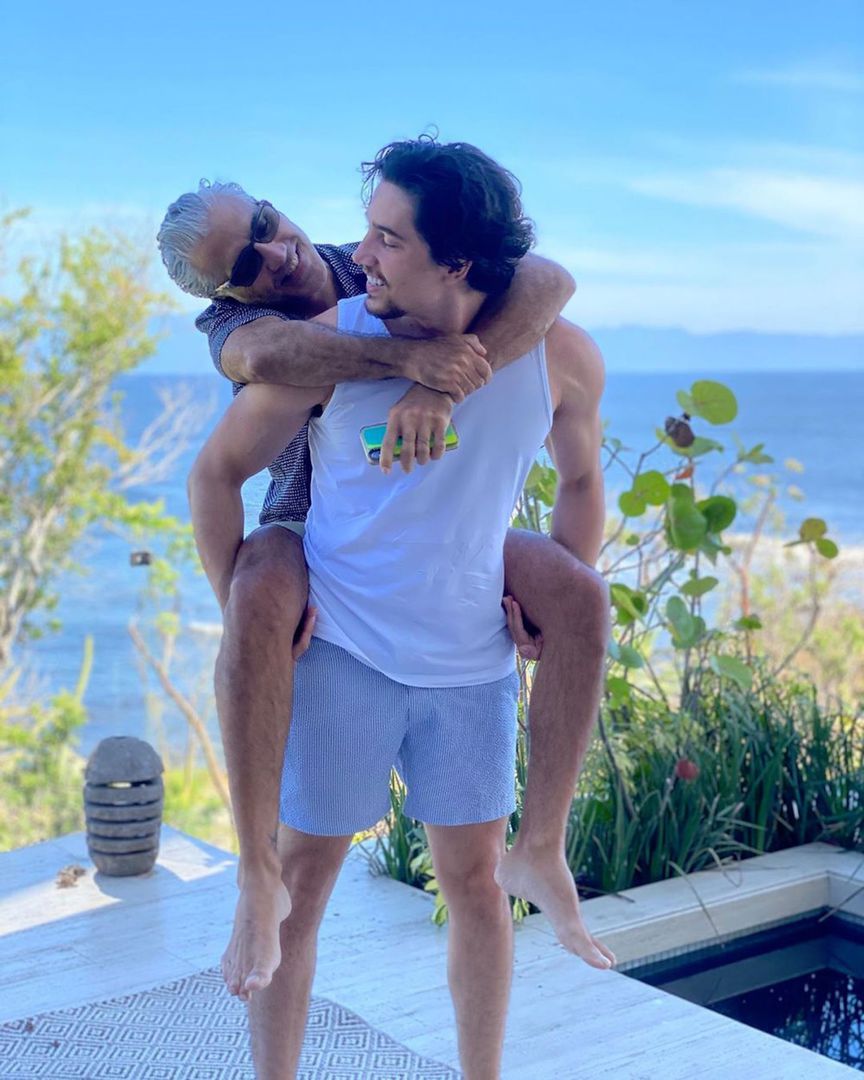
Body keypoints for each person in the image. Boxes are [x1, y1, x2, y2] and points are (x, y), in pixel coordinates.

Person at [186, 136, 613, 1079]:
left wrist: (539, 599)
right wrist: (250, 617)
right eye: (367, 232)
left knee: (477, 886)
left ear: (457, 261)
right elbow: (216, 471)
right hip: (343, 646)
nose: (361, 253)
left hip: (471, 666)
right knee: (304, 883)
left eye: (387, 238)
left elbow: (583, 478)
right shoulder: (325, 341)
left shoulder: (558, 353)